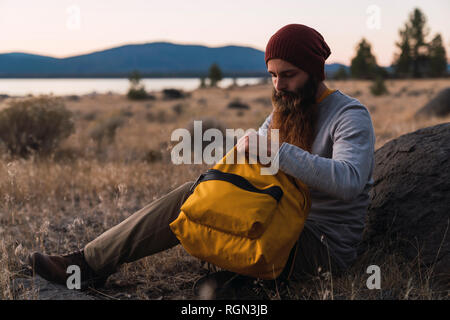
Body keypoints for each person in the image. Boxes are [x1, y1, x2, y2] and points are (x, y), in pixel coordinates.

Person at [28, 24, 375, 294]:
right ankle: (89, 264)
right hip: (274, 216)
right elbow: (261, 169)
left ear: (316, 72)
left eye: (288, 75)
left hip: (319, 245)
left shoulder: (350, 115)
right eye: (272, 75)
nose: (279, 85)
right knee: (196, 192)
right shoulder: (286, 109)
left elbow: (349, 181)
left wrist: (276, 152)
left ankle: (242, 282)